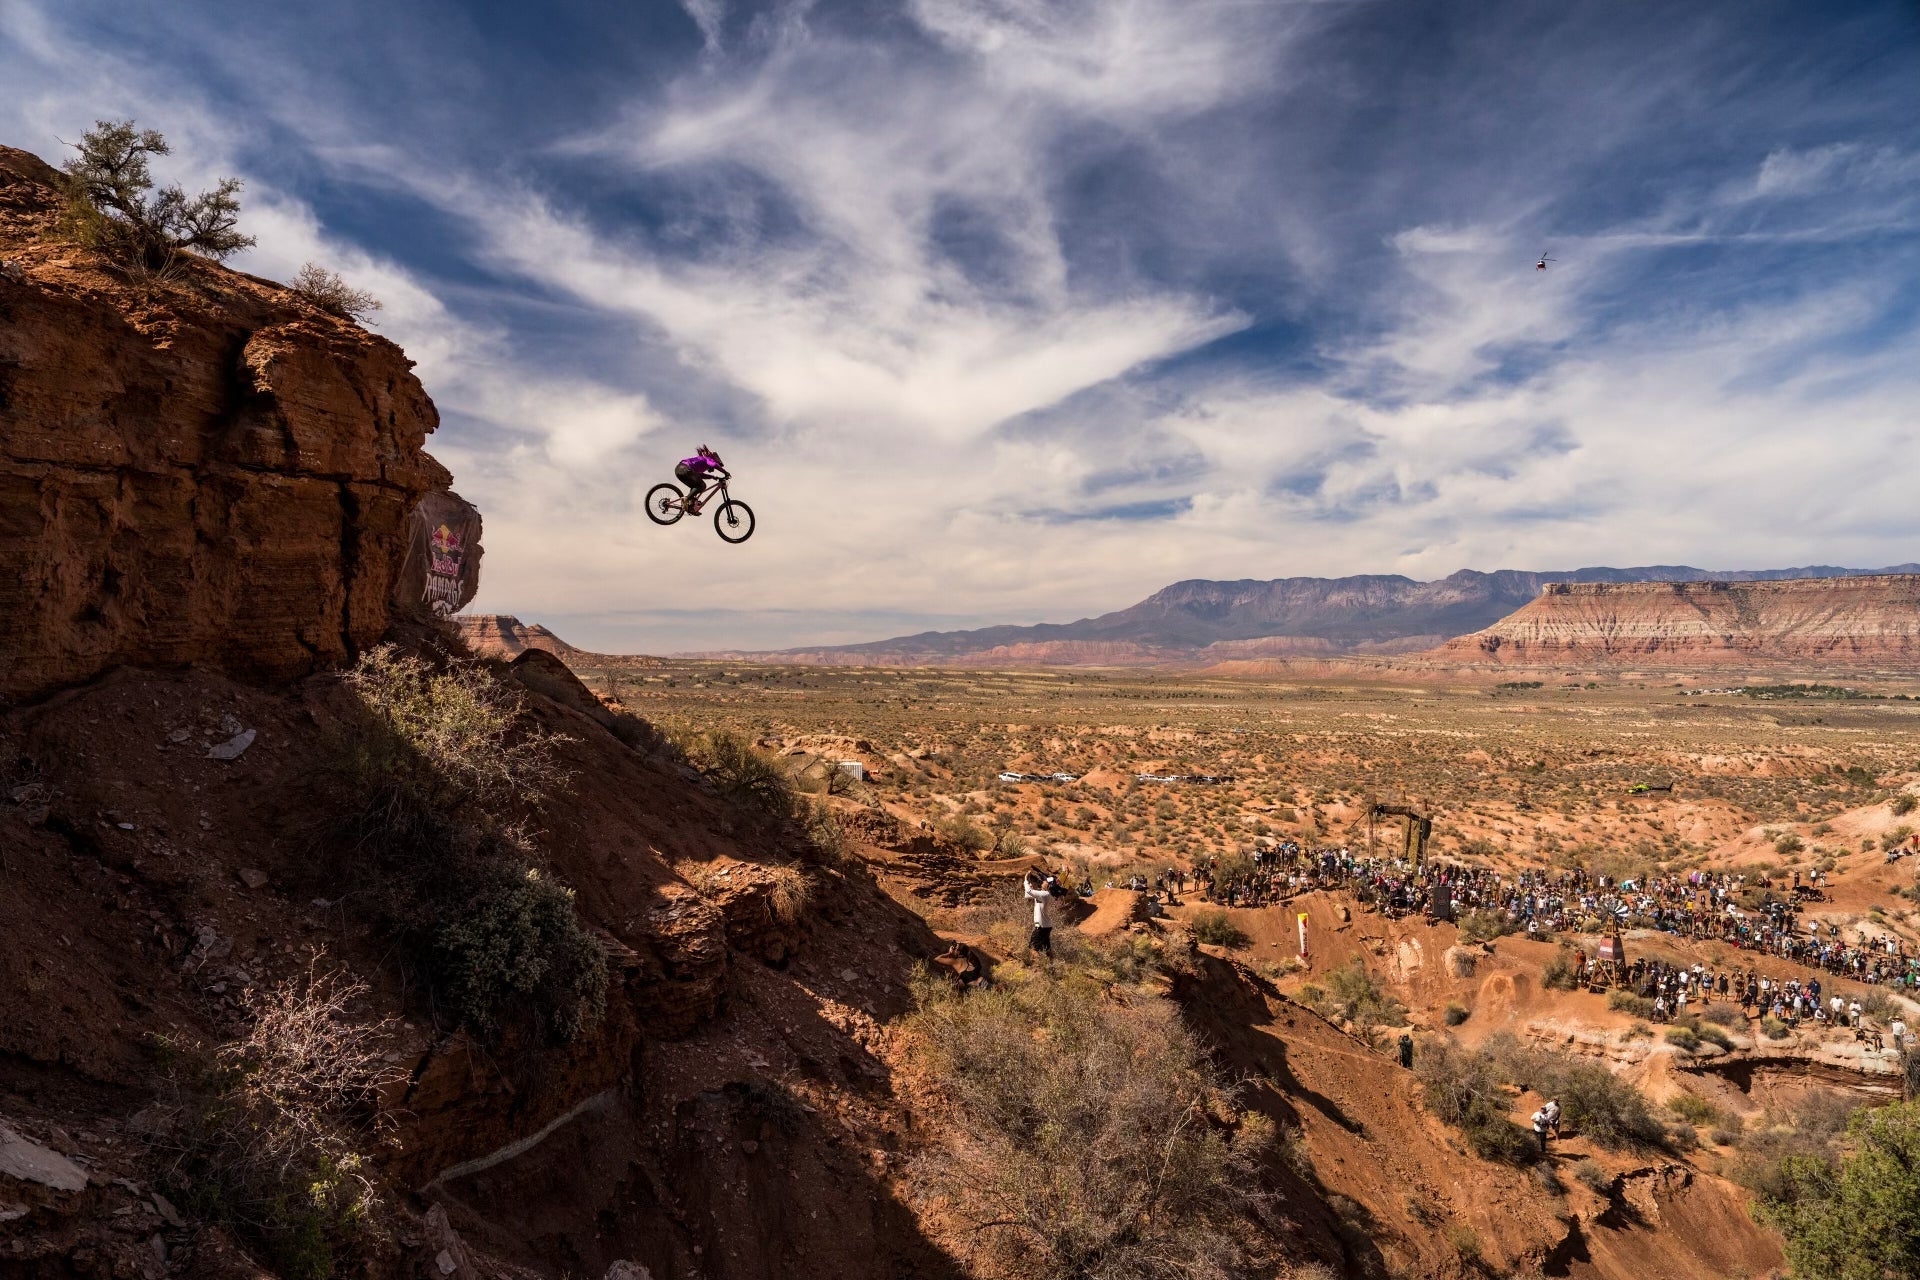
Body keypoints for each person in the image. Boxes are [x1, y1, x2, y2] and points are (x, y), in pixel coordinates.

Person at [674, 444, 726, 513]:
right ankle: (686, 499)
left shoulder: (700, 461)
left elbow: (700, 475)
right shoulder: (707, 458)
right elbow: (714, 465)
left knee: (695, 486)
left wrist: (713, 477)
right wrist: (726, 473)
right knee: (702, 485)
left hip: (679, 471)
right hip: (685, 469)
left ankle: (690, 507)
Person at [1024, 869, 1061, 961]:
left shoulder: (1044, 894)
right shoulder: (1046, 895)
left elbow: (1028, 891)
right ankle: (1052, 967)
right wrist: (1031, 887)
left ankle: (1038, 967)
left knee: (1033, 948)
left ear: (1049, 886)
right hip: (1046, 926)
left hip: (1041, 927)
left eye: (1045, 882)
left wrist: (1025, 880)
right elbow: (1027, 895)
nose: (1043, 882)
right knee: (1047, 950)